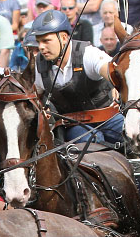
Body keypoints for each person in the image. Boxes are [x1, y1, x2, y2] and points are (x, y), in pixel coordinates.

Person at [29, 9, 123, 145]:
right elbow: (35, 99)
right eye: (38, 42)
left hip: (109, 118)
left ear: (64, 38)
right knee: (92, 141)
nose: (41, 47)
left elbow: (116, 75)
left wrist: (115, 82)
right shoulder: (39, 66)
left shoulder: (89, 54)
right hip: (73, 127)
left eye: (46, 41)